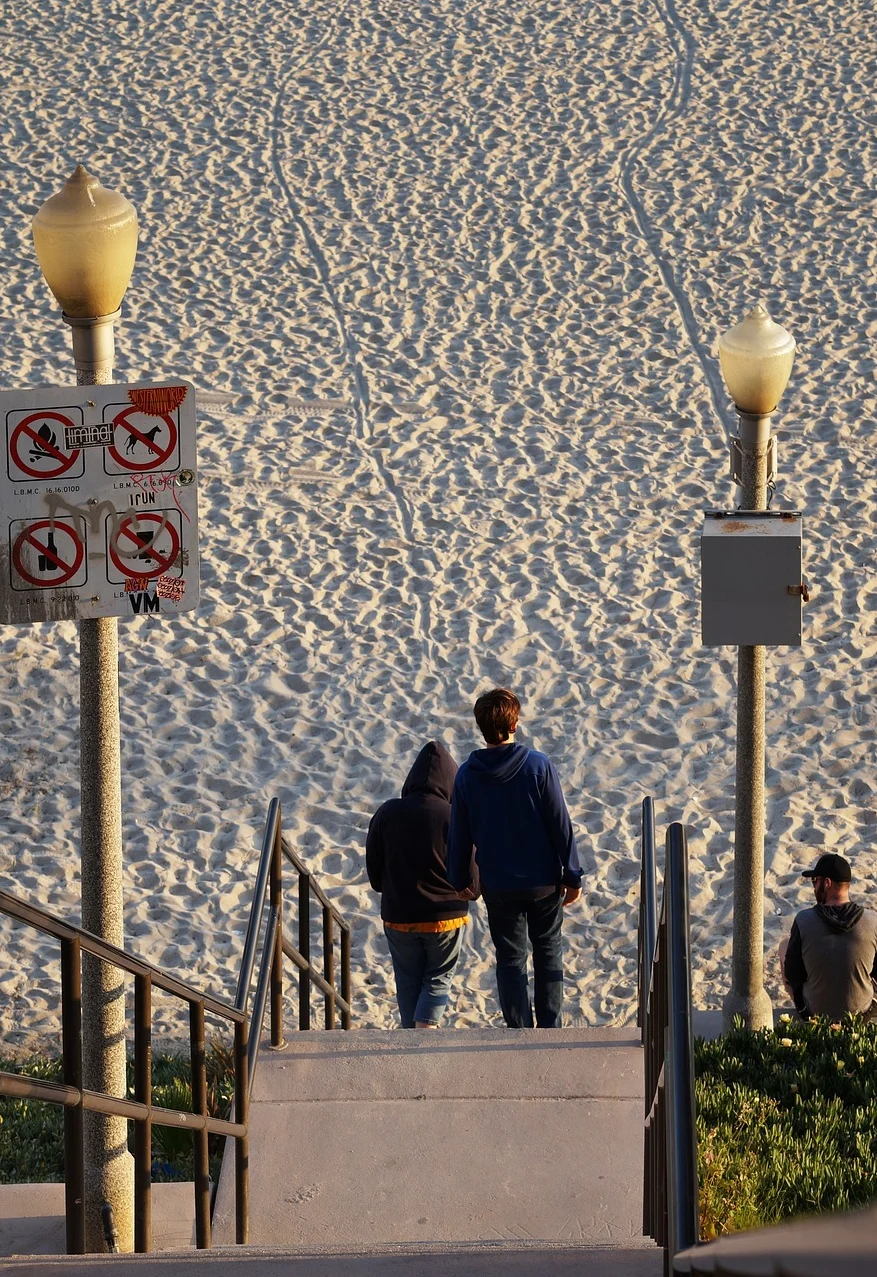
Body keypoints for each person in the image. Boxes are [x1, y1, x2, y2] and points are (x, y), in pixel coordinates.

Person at [446, 688, 583, 1029]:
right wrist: (573, 874)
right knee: (548, 951)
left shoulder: (466, 775)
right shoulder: (538, 766)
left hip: (499, 883)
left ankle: (518, 1030)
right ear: (514, 724)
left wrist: (459, 879)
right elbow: (559, 823)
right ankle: (550, 1028)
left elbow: (459, 833)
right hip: (543, 882)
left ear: (482, 728)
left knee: (510, 959)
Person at [366, 739, 477, 1029]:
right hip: (446, 916)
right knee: (438, 979)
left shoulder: (387, 812)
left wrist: (388, 889)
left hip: (398, 916)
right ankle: (424, 1035)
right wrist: (472, 891)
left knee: (407, 981)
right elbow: (473, 876)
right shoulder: (454, 816)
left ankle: (411, 1039)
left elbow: (374, 874)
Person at [783, 852, 877, 1021]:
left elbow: (792, 973)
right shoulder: (872, 920)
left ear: (826, 883)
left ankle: (804, 1009)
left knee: (784, 946)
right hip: (862, 1015)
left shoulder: (804, 919)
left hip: (815, 1014)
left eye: (815, 881)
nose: (813, 887)